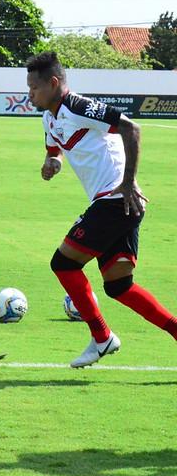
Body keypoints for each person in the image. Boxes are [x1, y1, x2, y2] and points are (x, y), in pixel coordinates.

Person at [26, 51, 177, 368]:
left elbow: (131, 129)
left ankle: (102, 337)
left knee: (63, 263)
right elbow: (55, 150)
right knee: (119, 286)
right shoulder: (49, 117)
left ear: (54, 83)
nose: (30, 95)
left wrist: (128, 182)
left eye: (34, 88)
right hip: (112, 203)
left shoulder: (77, 106)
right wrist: (52, 162)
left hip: (116, 201)